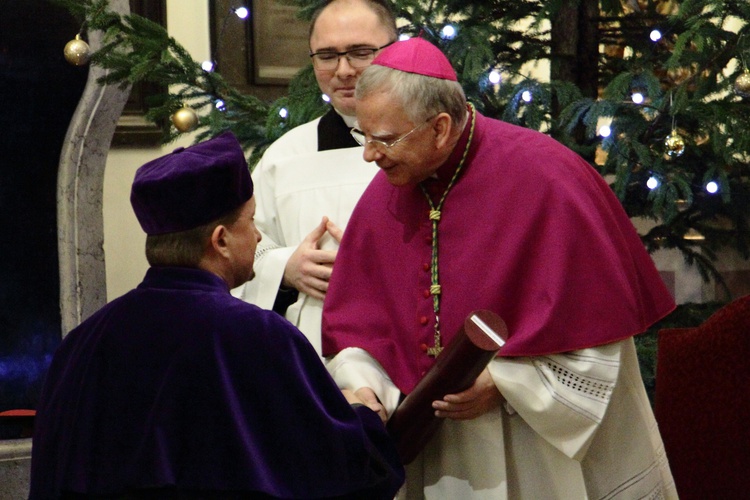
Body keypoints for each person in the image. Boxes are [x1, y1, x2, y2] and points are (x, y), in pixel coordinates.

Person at [322, 38, 679, 499]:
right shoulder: (385, 194)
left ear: (441, 127)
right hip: (430, 452)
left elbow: (599, 333)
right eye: (363, 136)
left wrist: (508, 384)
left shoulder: (549, 179)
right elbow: (358, 329)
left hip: (536, 444)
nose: (370, 155)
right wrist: (363, 387)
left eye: (385, 139)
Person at [28, 132, 404, 499]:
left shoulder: (84, 341)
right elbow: (341, 471)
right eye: (251, 221)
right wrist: (361, 411)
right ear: (221, 240)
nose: (258, 238)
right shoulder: (259, 336)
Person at [233, 0, 398, 354]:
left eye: (360, 52)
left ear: (395, 50)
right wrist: (286, 267)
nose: (343, 70)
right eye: (326, 56)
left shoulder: (436, 144)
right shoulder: (287, 157)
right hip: (317, 355)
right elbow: (241, 249)